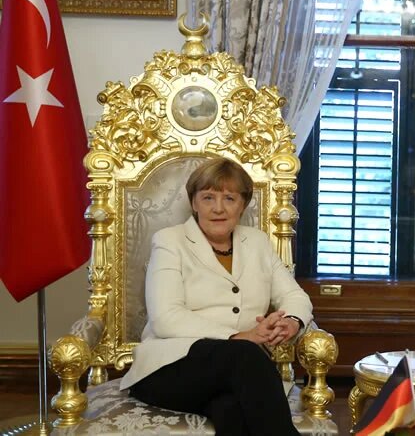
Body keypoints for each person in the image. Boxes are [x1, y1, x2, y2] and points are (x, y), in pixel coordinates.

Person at [120, 157, 311, 435]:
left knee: (231, 410)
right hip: (169, 368)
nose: (218, 208)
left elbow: (295, 295)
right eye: (208, 197)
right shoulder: (169, 241)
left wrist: (291, 321)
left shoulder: (257, 242)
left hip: (237, 375)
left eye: (229, 198)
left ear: (242, 205)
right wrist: (238, 337)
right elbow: (166, 319)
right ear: (194, 203)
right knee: (245, 356)